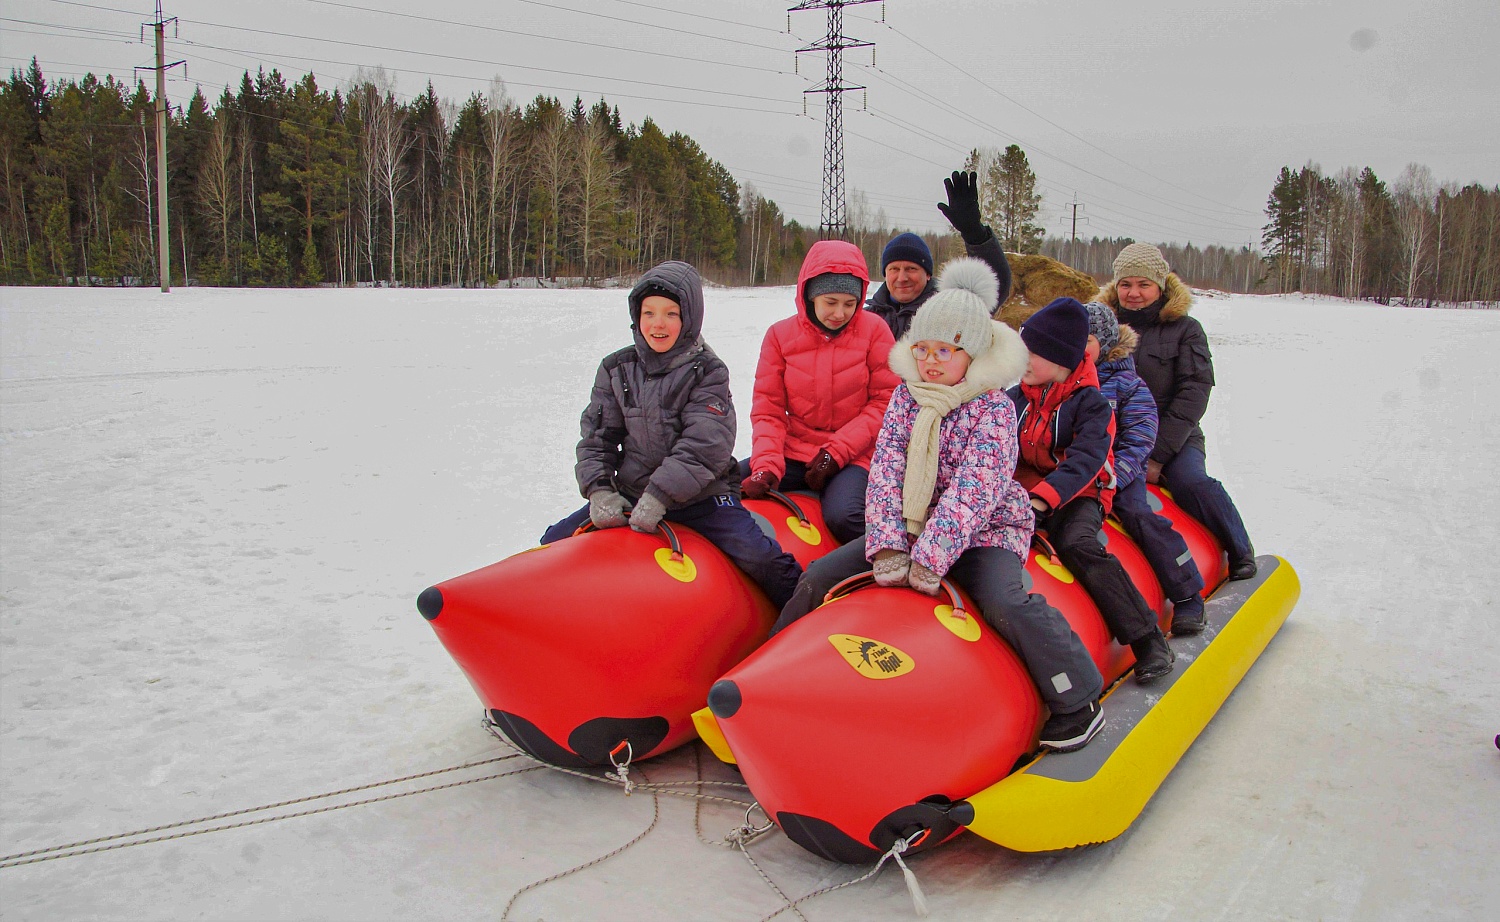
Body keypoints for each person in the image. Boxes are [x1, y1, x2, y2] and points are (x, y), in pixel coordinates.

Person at [775, 258, 1107, 753]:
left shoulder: (994, 408)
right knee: (820, 575)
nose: (931, 361)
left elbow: (976, 491)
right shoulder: (906, 398)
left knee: (1004, 601)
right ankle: (770, 673)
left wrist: (930, 558)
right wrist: (889, 545)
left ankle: (1077, 698)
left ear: (972, 353)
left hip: (985, 531)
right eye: (923, 349)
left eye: (945, 350)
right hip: (911, 526)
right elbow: (886, 473)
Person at [540, 260, 803, 609]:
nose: (658, 324)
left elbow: (704, 445)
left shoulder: (708, 371)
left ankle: (802, 609)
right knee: (553, 542)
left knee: (760, 558)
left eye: (670, 314)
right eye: (648, 313)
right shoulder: (616, 368)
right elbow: (596, 437)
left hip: (702, 498)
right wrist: (600, 490)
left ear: (689, 318)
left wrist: (660, 496)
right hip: (632, 494)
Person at [1008, 297, 1175, 683]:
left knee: (1078, 544)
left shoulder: (1092, 404)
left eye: (1032, 354)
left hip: (1080, 493)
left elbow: (1086, 461)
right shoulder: (1015, 399)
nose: (1022, 361)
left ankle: (1146, 638)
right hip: (1023, 495)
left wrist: (1042, 499)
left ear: (1062, 360)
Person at [1102, 243, 1257, 580]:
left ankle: (1239, 549)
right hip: (1114, 434)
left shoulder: (1186, 330)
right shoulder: (1101, 329)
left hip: (1174, 435)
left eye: (1143, 284)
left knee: (1191, 482)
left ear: (1160, 286)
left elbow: (1194, 393)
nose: (1133, 293)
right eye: (1126, 284)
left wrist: (1157, 454)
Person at [740, 240, 899, 545]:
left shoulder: (875, 331)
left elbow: (885, 403)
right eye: (830, 302)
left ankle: (884, 558)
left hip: (855, 455)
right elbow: (769, 409)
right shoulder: (779, 336)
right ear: (810, 294)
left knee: (845, 517)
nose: (840, 313)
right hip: (796, 450)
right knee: (728, 484)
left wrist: (836, 453)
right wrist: (766, 466)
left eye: (850, 304)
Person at [1083, 301, 1208, 635]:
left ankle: (1187, 593)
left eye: (1087, 340)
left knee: (1137, 514)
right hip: (1074, 477)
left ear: (1105, 343)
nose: (1077, 347)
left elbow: (1139, 441)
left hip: (1119, 474)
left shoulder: (1128, 385)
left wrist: (1114, 478)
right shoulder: (1061, 380)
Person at [866, 171, 1014, 340]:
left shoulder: (949, 310)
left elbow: (994, 286)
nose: (902, 278)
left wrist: (974, 233)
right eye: (894, 269)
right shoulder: (866, 319)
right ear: (885, 274)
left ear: (928, 274)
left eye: (911, 268)